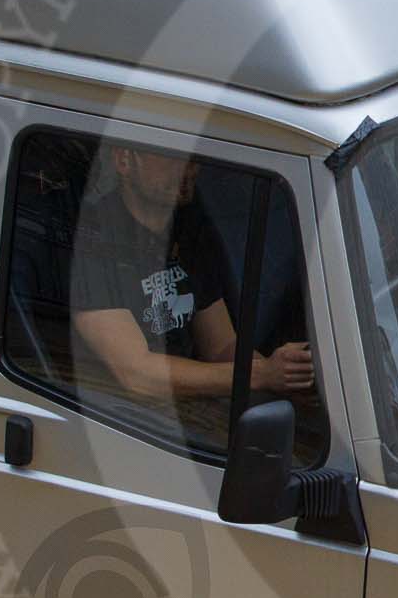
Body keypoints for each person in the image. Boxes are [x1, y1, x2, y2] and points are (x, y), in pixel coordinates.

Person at [69, 144, 314, 419]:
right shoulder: (94, 235)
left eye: (193, 157)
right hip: (112, 416)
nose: (189, 167)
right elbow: (136, 374)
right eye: (172, 156)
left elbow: (219, 345)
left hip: (184, 408)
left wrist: (285, 372)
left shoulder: (189, 227)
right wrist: (260, 375)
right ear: (125, 160)